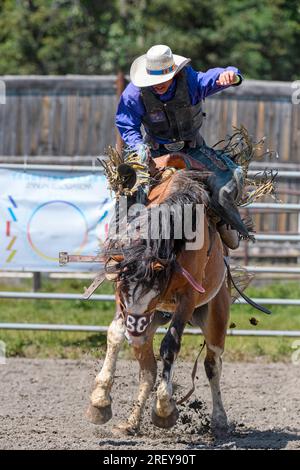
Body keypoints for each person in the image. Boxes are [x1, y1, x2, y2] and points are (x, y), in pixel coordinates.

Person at [115, 44, 249, 248]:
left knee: (229, 181)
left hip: (193, 149)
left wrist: (231, 75)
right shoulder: (134, 94)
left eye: (162, 79)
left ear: (174, 73)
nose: (157, 84)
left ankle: (221, 219)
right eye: (153, 80)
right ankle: (120, 239)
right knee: (128, 188)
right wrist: (137, 146)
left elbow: (221, 75)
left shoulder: (192, 82)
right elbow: (126, 123)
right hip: (154, 151)